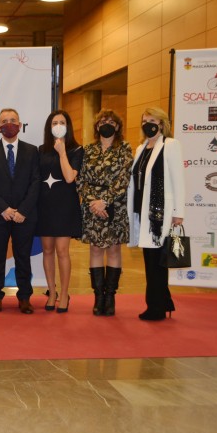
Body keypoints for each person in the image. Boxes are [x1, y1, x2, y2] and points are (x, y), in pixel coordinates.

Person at [0, 108, 39, 314]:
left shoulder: (32, 151)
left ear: (20, 125)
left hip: (24, 216)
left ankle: (24, 297)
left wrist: (22, 210)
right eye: (4, 121)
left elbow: (35, 183)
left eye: (13, 120)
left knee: (23, 256)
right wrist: (3, 208)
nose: (9, 124)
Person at [127, 107, 184, 321]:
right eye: (144, 120)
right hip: (143, 213)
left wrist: (179, 212)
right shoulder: (141, 148)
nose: (147, 123)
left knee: (157, 263)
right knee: (151, 261)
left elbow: (178, 180)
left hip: (161, 215)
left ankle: (156, 308)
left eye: (152, 120)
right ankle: (164, 302)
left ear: (161, 123)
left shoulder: (170, 145)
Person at [78, 109, 132, 316]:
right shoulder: (89, 150)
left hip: (115, 207)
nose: (106, 124)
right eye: (102, 121)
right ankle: (98, 296)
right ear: (97, 126)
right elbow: (81, 179)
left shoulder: (125, 148)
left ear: (117, 126)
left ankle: (110, 297)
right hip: (92, 207)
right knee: (95, 250)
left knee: (114, 250)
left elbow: (124, 179)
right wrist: (93, 202)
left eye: (111, 121)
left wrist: (105, 201)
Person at [36, 110, 83, 313]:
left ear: (68, 125)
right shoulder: (41, 150)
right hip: (44, 206)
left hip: (65, 207)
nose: (58, 125)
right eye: (54, 122)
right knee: (47, 250)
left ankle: (64, 293)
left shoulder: (77, 149)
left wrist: (62, 152)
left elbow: (69, 177)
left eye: (62, 122)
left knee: (62, 251)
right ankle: (51, 291)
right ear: (49, 126)